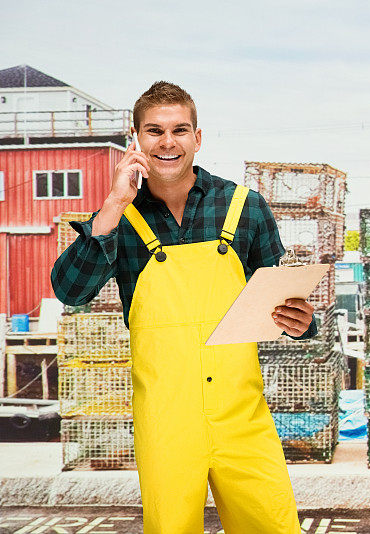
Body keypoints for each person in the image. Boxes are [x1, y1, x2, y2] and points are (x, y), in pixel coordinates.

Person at [51, 81, 316, 533]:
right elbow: (71, 291)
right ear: (135, 139)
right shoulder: (120, 216)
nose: (167, 142)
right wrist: (113, 203)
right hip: (166, 423)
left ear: (198, 137)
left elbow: (280, 299)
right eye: (154, 131)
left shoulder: (243, 207)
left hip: (242, 415)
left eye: (179, 130)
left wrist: (301, 322)